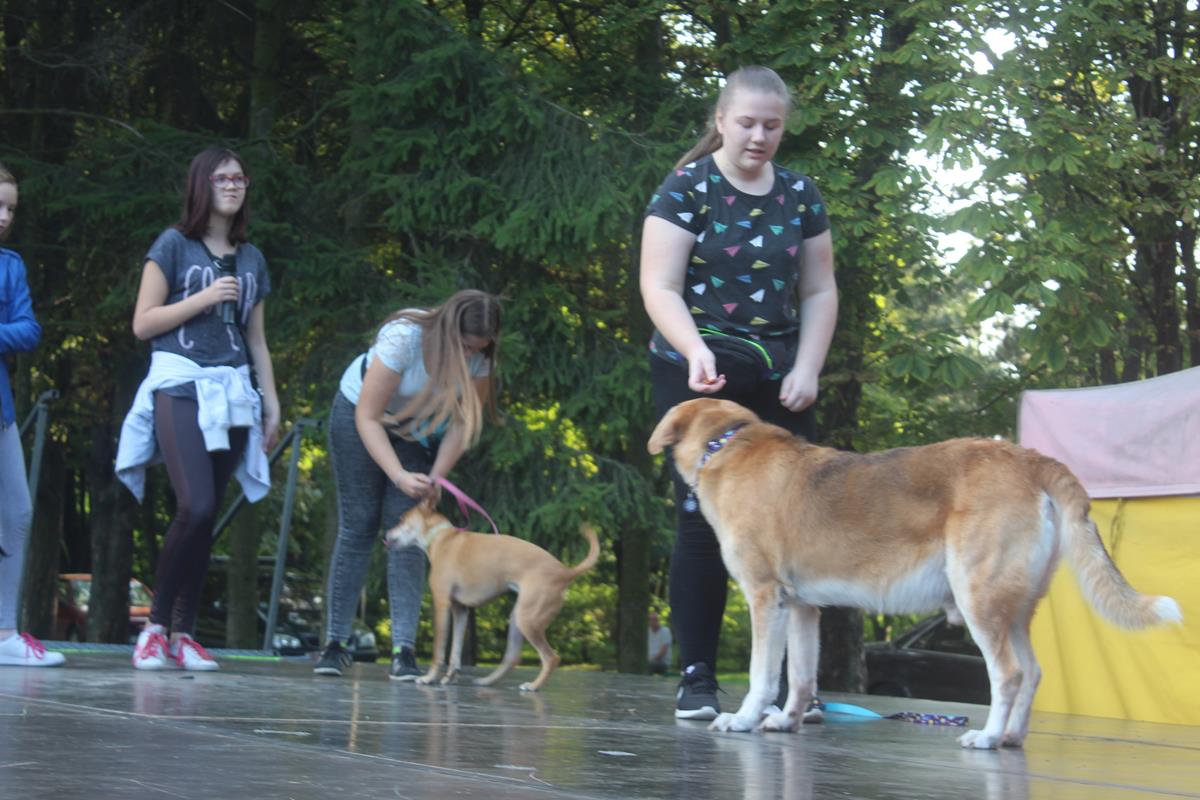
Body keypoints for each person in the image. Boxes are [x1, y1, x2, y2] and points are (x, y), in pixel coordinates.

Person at [639, 66, 838, 719]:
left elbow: (819, 290)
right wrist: (695, 350)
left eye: (771, 125)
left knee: (801, 518)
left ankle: (796, 688)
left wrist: (808, 368)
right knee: (704, 522)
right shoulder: (687, 188)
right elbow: (659, 285)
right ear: (721, 121)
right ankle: (697, 675)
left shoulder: (801, 194)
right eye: (747, 122)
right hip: (700, 368)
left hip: (781, 372)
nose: (758, 136)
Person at [115, 147, 281, 671]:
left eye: (240, 178)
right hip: (180, 381)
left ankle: (184, 634)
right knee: (197, 505)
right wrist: (203, 298)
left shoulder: (252, 259)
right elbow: (143, 323)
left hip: (234, 390)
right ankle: (154, 629)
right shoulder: (172, 245)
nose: (233, 186)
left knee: (207, 519)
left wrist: (272, 405)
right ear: (200, 185)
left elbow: (257, 340)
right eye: (222, 178)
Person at [313, 290, 500, 680]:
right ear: (449, 331)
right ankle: (335, 644)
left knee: (412, 532)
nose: (470, 355)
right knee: (359, 523)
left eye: (478, 349)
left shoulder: (479, 359)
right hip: (360, 417)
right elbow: (367, 417)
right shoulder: (405, 337)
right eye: (465, 346)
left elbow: (463, 422)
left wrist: (436, 477)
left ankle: (404, 649)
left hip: (417, 430)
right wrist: (397, 474)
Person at [0, 163, 65, 668]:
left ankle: (4, 632)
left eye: (11, 209)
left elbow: (29, 330)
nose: (4, 217)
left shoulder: (10, 266)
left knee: (17, 513)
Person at [647, 610, 673, 675]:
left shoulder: (665, 631)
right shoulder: (648, 631)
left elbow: (663, 651)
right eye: (651, 619)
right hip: (649, 660)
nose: (653, 622)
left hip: (663, 662)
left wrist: (650, 660)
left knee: (649, 665)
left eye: (655, 619)